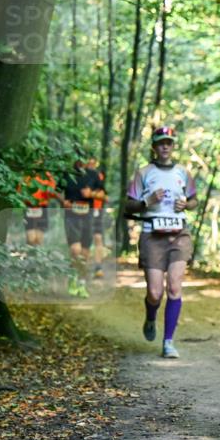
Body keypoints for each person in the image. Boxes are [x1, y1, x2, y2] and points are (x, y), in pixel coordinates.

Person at [125, 126, 198, 358]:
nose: (165, 146)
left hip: (179, 234)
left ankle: (168, 342)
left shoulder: (183, 172)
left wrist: (186, 205)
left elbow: (194, 200)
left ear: (173, 146)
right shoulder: (143, 172)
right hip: (152, 235)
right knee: (155, 292)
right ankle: (150, 316)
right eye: (161, 143)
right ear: (154, 147)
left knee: (175, 287)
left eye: (169, 142)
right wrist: (147, 200)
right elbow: (128, 206)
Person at [62, 158, 102, 297]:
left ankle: (82, 284)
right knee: (75, 250)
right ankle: (72, 279)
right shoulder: (67, 174)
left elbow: (104, 195)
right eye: (77, 157)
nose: (80, 161)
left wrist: (91, 194)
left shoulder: (93, 174)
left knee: (84, 254)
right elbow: (54, 191)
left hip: (88, 217)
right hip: (71, 217)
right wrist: (63, 201)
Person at [19, 167, 58, 247]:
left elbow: (52, 191)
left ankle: (36, 256)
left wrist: (49, 192)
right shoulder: (27, 175)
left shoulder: (47, 175)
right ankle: (29, 255)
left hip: (42, 207)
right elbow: (20, 191)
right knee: (31, 238)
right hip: (29, 207)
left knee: (39, 239)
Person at [86, 158, 108, 278]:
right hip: (82, 213)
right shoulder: (80, 176)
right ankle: (81, 266)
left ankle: (98, 267)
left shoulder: (99, 176)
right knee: (84, 241)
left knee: (98, 238)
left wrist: (91, 194)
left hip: (96, 211)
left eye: (94, 163)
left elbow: (105, 195)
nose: (91, 165)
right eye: (89, 163)